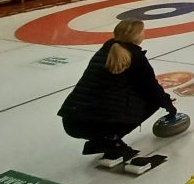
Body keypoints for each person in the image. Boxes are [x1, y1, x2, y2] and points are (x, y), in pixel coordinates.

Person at [58, 20, 177, 157]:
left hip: (71, 120)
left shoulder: (108, 47)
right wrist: (169, 105)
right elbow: (151, 89)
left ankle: (100, 140)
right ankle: (110, 139)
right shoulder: (136, 57)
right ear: (136, 36)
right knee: (152, 101)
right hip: (94, 123)